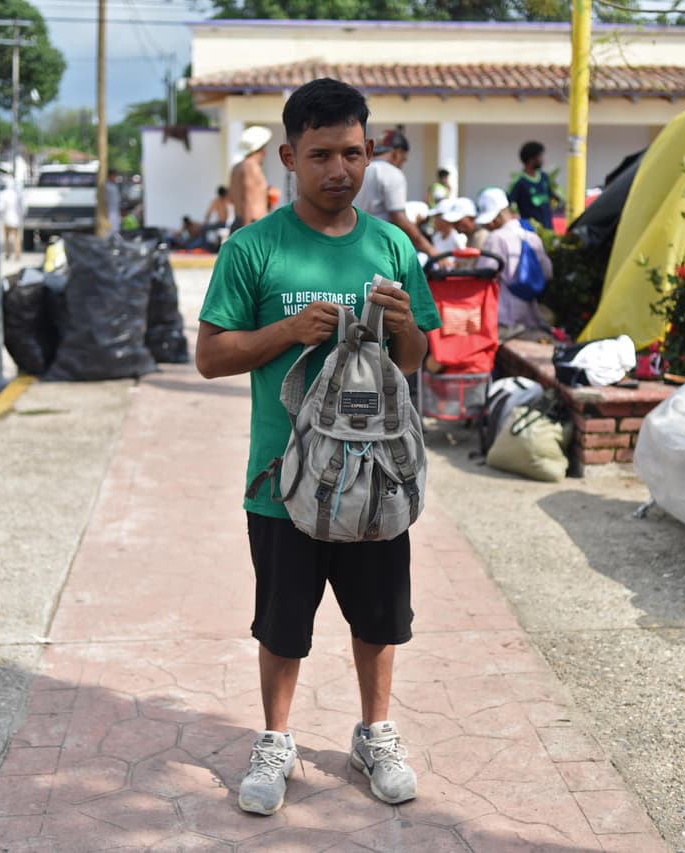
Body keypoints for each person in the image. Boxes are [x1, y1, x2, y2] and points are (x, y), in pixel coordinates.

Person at [196, 77, 441, 817]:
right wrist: (287, 332)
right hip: (283, 483)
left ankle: (376, 732)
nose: (341, 170)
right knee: (282, 624)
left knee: (380, 619)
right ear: (288, 158)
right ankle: (276, 740)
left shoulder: (393, 245)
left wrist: (403, 325)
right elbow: (210, 355)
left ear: (371, 152)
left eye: (354, 153)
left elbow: (416, 359)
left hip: (376, 480)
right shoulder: (253, 248)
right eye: (323, 154)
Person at [476, 186, 553, 333]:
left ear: (496, 218)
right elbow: (547, 272)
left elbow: (483, 274)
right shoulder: (532, 236)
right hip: (531, 315)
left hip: (503, 317)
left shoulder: (496, 238)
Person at [356, 129, 436, 257]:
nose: (401, 164)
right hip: (378, 249)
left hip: (355, 245)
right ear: (397, 154)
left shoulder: (359, 169)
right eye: (403, 160)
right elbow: (399, 219)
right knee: (390, 278)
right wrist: (431, 250)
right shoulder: (391, 173)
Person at [507, 141, 558, 230]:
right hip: (530, 231)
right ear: (531, 159)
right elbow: (509, 203)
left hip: (548, 229)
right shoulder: (519, 181)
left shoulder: (544, 177)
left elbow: (552, 198)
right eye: (540, 156)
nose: (543, 160)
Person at [228, 126, 272, 228]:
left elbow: (231, 198)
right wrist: (247, 231)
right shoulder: (251, 166)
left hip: (240, 221)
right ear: (261, 149)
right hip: (252, 224)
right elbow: (247, 199)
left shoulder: (236, 167)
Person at [428, 196, 471, 263]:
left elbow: (461, 263)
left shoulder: (459, 238)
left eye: (437, 216)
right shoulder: (436, 237)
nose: (434, 220)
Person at [0, 176, 23, 260]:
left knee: (7, 239)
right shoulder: (17, 194)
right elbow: (22, 208)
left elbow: (0, 207)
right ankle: (17, 254)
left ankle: (8, 254)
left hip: (6, 220)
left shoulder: (3, 194)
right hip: (16, 220)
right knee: (17, 238)